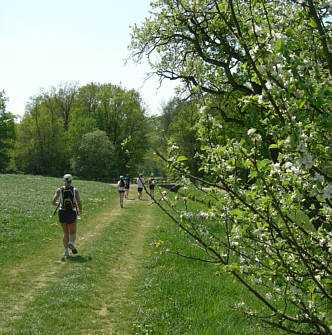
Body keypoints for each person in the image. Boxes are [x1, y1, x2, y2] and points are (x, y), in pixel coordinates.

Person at [52, 174, 82, 257]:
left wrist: (60, 204)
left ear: (64, 181)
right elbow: (79, 202)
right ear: (71, 181)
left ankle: (66, 251)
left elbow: (53, 202)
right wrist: (80, 210)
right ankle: (71, 243)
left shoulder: (59, 190)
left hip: (62, 212)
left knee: (65, 232)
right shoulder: (75, 190)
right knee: (72, 232)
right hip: (71, 212)